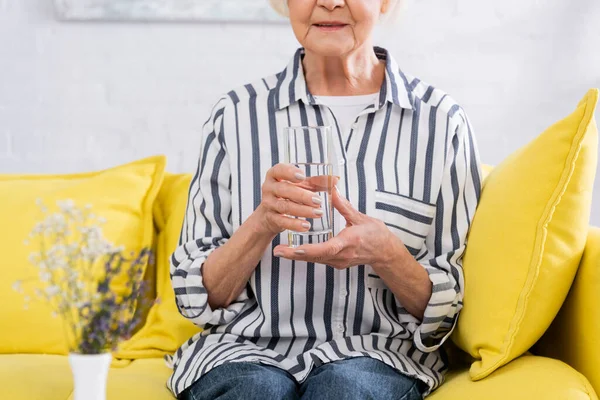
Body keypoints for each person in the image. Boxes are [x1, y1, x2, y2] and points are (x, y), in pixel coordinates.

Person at [167, 0, 482, 398]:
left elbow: (445, 312)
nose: (330, 2)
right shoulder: (234, 116)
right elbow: (195, 298)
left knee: (344, 391)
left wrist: (388, 254)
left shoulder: (441, 122)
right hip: (242, 351)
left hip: (378, 355)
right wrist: (262, 223)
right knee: (256, 392)